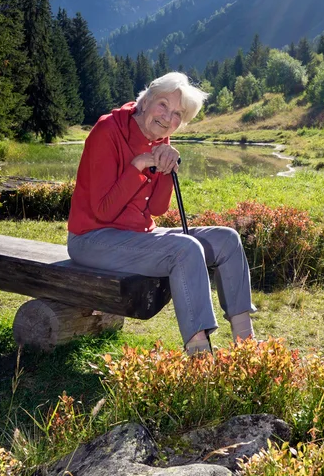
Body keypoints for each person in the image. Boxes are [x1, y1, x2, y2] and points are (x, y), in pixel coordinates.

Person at [67, 72, 256, 355]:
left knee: (227, 239)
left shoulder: (161, 139)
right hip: (91, 239)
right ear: (147, 99)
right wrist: (138, 166)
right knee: (185, 249)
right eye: (163, 105)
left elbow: (156, 209)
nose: (168, 118)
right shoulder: (108, 131)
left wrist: (169, 169)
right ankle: (200, 357)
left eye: (178, 114)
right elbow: (103, 211)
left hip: (137, 235)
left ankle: (246, 346)